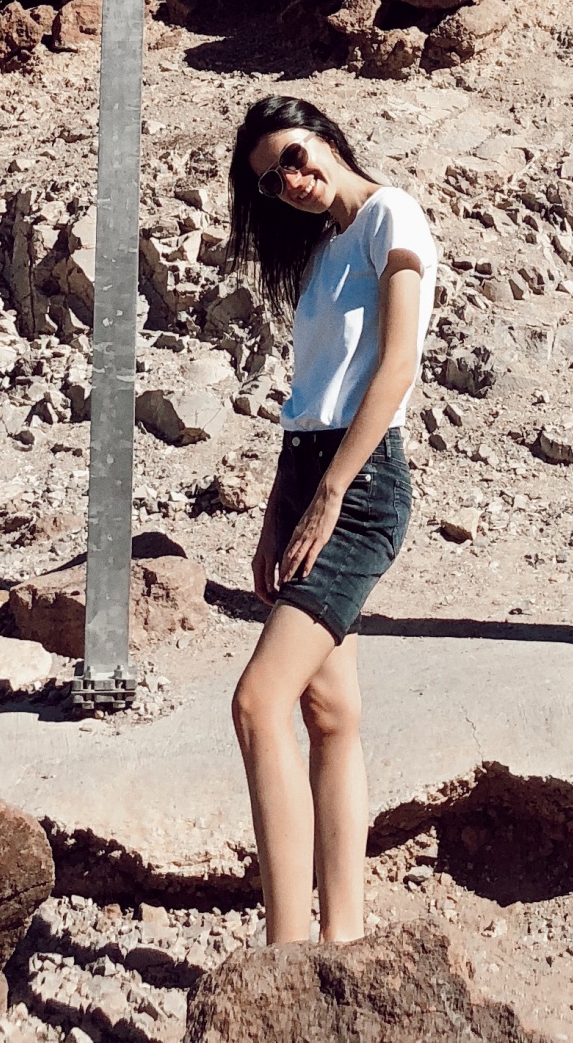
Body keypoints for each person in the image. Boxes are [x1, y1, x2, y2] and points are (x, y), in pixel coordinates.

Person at [225, 91, 437, 946]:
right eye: (271, 182)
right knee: (329, 714)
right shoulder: (321, 258)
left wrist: (331, 492)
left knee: (256, 701)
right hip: (310, 474)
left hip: (361, 482)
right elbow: (303, 404)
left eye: (293, 156)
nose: (291, 180)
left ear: (324, 137)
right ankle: (343, 942)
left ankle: (283, 951)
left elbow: (396, 366)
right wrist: (277, 515)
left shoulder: (392, 213)